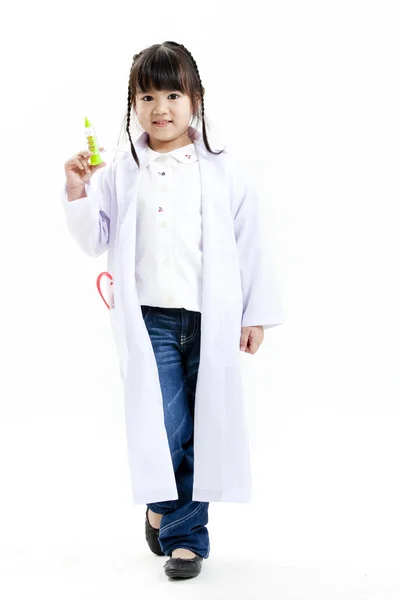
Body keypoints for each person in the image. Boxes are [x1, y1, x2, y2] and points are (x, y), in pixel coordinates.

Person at [61, 41, 285, 580]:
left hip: (210, 319)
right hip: (151, 320)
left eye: (173, 93)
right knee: (166, 424)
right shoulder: (120, 171)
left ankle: (184, 535)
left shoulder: (224, 170)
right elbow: (97, 239)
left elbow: (249, 242)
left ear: (196, 100)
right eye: (146, 95)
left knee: (205, 426)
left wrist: (254, 313)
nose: (160, 107)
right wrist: (77, 190)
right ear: (132, 105)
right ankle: (164, 505)